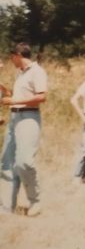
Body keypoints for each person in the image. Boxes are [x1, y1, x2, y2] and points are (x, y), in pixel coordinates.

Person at [0, 43, 47, 216]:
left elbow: (41, 97)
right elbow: (21, 95)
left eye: (12, 57)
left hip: (29, 118)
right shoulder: (20, 73)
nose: (11, 61)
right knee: (7, 162)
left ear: (18, 55)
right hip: (14, 118)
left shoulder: (37, 71)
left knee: (24, 162)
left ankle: (35, 200)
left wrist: (14, 101)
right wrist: (6, 92)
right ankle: (6, 206)